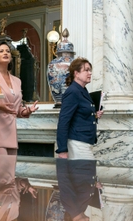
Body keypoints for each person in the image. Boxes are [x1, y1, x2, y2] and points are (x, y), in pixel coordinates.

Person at [56, 57, 104, 221]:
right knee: (81, 175)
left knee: (82, 177)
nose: (90, 73)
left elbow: (79, 117)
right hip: (77, 144)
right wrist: (62, 150)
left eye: (90, 70)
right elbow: (63, 122)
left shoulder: (82, 91)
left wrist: (94, 115)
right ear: (76, 73)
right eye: (86, 70)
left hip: (84, 142)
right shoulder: (73, 91)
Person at [0, 41, 39, 155]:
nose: (5, 53)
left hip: (10, 131)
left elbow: (16, 108)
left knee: (9, 171)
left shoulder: (17, 81)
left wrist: (27, 110)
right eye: (1, 51)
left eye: (8, 51)